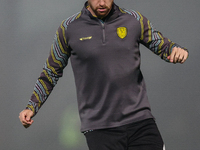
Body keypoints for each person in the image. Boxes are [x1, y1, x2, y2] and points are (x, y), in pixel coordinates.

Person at [19, 0, 188, 150]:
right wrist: (32, 106)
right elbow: (51, 71)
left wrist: (176, 51)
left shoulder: (134, 19)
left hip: (140, 121)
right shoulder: (68, 28)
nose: (102, 3)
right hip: (99, 128)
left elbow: (163, 46)